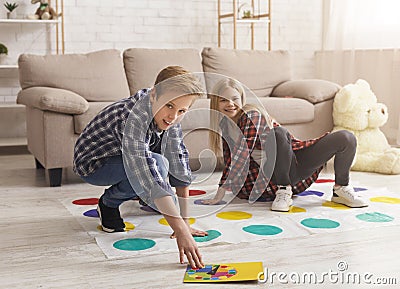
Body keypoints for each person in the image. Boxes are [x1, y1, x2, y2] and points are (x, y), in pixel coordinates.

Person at [73, 66, 207, 268]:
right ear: (154, 95)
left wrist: (185, 222)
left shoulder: (173, 117)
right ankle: (108, 204)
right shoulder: (132, 117)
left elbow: (179, 164)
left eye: (182, 111)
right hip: (94, 164)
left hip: (124, 157)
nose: (173, 116)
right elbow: (144, 171)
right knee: (156, 165)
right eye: (169, 106)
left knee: (164, 173)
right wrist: (180, 231)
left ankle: (143, 197)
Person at [202, 77, 369, 212]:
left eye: (234, 99)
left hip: (294, 162)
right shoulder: (225, 127)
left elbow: (242, 154)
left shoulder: (251, 114)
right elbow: (232, 161)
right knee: (277, 135)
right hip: (272, 177)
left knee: (346, 138)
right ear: (215, 103)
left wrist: (220, 192)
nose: (230, 104)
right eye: (223, 100)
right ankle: (283, 190)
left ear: (242, 99)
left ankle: (341, 189)